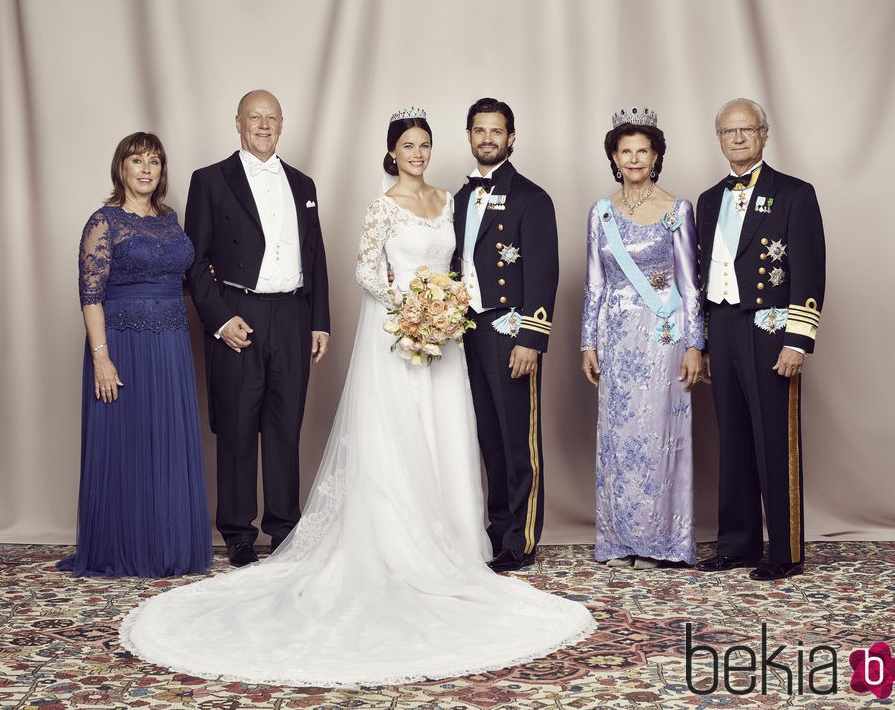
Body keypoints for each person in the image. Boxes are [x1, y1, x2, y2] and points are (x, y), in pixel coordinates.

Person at [119, 108, 595, 686]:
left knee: (450, 436)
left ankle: (471, 541)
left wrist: (447, 309)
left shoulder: (455, 200)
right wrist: (413, 307)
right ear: (392, 152)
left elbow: (469, 270)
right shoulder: (379, 205)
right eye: (407, 145)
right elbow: (367, 272)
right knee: (377, 437)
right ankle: (283, 536)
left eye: (425, 144)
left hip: (447, 341)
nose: (418, 153)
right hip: (399, 334)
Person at [184, 90, 331, 567]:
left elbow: (317, 256)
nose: (263, 125)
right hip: (238, 312)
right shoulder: (209, 181)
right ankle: (238, 532)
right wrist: (220, 320)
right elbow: (194, 261)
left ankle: (285, 527)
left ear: (283, 124)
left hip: (291, 314)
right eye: (254, 117)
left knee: (286, 425)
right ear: (238, 124)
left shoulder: (303, 183)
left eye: (271, 117)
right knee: (238, 426)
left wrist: (319, 321)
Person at [59, 132, 212, 578]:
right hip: (122, 345)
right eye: (136, 160)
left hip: (171, 344)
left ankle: (167, 547)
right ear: (121, 168)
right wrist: (101, 357)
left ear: (162, 171)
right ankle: (123, 548)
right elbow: (90, 294)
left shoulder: (170, 220)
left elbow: (174, 276)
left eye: (154, 161)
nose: (146, 169)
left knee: (166, 440)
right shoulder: (104, 222)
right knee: (127, 444)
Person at [695, 98, 826, 581]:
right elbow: (700, 276)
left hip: (772, 331)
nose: (739, 138)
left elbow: (809, 273)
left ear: (765, 134)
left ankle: (785, 551)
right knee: (732, 439)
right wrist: (705, 343)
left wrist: (798, 340)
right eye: (729, 132)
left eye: (747, 129)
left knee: (775, 440)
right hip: (724, 329)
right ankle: (737, 544)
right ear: (720, 139)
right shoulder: (709, 200)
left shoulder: (794, 193)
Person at [580, 108, 705, 569]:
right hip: (615, 338)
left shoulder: (677, 210)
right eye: (625, 151)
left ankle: (663, 540)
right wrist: (586, 343)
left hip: (662, 336)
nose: (634, 159)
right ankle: (620, 538)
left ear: (656, 156)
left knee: (659, 436)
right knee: (618, 438)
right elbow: (594, 284)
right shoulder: (601, 212)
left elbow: (691, 286)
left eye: (643, 151)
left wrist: (695, 344)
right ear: (614, 156)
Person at [453, 98, 559, 573]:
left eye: (497, 131)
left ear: (511, 138)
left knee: (519, 440)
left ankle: (521, 538)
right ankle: (496, 533)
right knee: (488, 440)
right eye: (480, 130)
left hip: (510, 330)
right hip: (465, 334)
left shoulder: (532, 199)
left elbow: (543, 274)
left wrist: (531, 340)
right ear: (470, 136)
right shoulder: (457, 198)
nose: (488, 139)